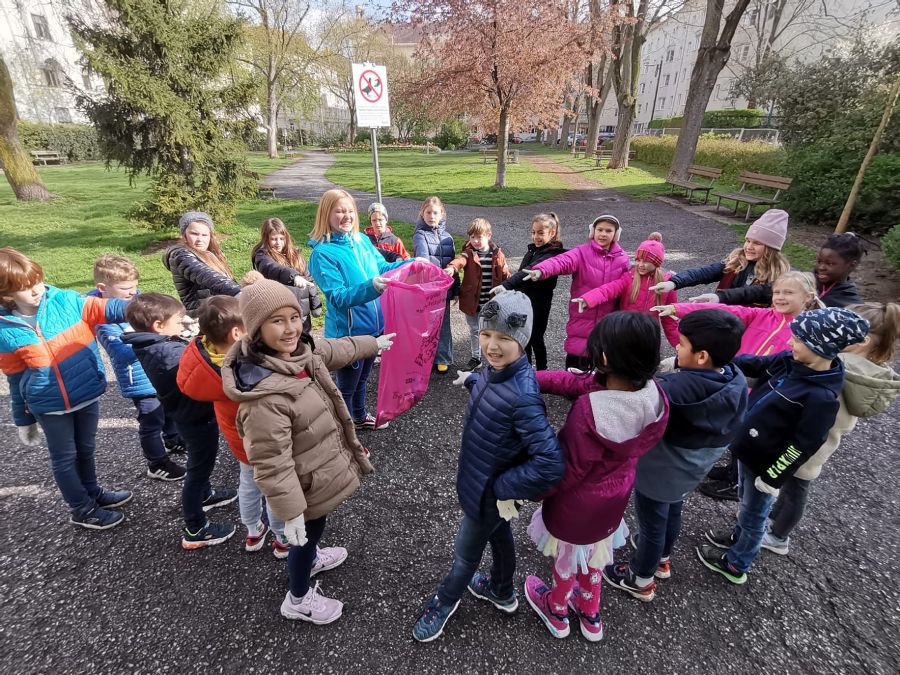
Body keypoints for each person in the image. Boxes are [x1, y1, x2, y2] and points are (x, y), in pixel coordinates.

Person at [221, 280, 393, 623]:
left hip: (316, 476)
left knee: (316, 528)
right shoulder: (264, 397)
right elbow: (271, 462)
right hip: (301, 487)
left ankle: (311, 557)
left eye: (294, 317)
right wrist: (290, 512)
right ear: (256, 330)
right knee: (303, 535)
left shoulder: (300, 352)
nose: (290, 328)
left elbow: (334, 349)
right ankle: (298, 599)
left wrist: (372, 344)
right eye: (277, 321)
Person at [412, 292, 565, 643]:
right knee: (499, 535)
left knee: (465, 555)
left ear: (522, 340)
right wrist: (473, 382)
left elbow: (550, 463)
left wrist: (503, 487)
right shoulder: (496, 372)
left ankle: (444, 601)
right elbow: (496, 399)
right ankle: (501, 589)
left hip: (489, 493)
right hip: (486, 487)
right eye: (485, 334)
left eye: (504, 339)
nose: (491, 346)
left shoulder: (524, 394)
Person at [697, 308, 870, 584]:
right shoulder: (789, 361)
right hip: (748, 450)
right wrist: (718, 361)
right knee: (745, 501)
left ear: (821, 348)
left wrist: (774, 477)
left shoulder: (821, 397)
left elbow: (804, 444)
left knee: (755, 513)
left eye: (798, 340)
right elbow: (754, 364)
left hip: (765, 465)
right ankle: (739, 537)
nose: (790, 343)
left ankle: (737, 562)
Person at [525, 312, 669, 642]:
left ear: (603, 358)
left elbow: (566, 469)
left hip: (575, 506)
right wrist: (533, 377)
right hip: (614, 500)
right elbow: (577, 383)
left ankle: (557, 608)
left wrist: (532, 491)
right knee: (596, 556)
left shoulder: (590, 412)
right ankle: (590, 614)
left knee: (568, 556)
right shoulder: (653, 396)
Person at [602, 309, 748, 602]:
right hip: (692, 468)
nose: (676, 348)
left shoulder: (674, 388)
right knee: (672, 510)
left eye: (681, 344)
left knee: (652, 523)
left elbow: (637, 403)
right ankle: (663, 558)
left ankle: (640, 578)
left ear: (702, 356)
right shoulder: (734, 377)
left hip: (662, 469)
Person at [654, 271, 823, 501]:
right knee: (735, 431)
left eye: (788, 293)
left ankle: (737, 482)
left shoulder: (804, 334)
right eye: (777, 292)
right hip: (738, 383)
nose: (780, 297)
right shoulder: (762, 314)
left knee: (750, 435)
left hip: (764, 393)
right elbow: (726, 312)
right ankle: (731, 471)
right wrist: (678, 309)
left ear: (808, 297)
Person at [0, 247, 133, 529]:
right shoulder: (4, 330)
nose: (36, 290)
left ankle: (93, 492)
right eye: (24, 288)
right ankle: (81, 508)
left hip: (85, 394)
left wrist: (146, 308)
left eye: (36, 281)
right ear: (6, 294)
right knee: (65, 457)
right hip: (48, 406)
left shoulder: (67, 301)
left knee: (85, 449)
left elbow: (108, 308)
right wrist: (23, 420)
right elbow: (13, 377)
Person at [762, 302, 900, 555]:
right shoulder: (865, 371)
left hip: (809, 443)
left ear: (861, 341)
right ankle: (775, 520)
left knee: (795, 489)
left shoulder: (837, 368)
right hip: (823, 442)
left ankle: (778, 536)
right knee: (794, 486)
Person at [122, 293, 237, 549]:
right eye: (177, 319)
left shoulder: (154, 343)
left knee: (201, 466)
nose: (182, 321)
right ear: (158, 325)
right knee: (198, 469)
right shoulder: (167, 352)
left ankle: (205, 494)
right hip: (195, 417)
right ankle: (195, 528)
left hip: (187, 414)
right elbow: (202, 370)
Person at [175, 296, 288, 557]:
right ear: (237, 333)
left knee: (248, 484)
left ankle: (253, 531)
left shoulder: (203, 357)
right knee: (275, 489)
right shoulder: (243, 369)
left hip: (238, 440)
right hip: (265, 441)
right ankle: (282, 538)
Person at [307, 189, 409, 430]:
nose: (347, 216)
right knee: (347, 385)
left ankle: (360, 417)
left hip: (374, 328)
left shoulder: (362, 240)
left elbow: (382, 267)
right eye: (339, 211)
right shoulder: (322, 254)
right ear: (326, 214)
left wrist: (411, 264)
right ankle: (343, 430)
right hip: (349, 334)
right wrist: (371, 287)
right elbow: (337, 296)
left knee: (363, 377)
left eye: (350, 210)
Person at [90, 254, 186, 482]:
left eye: (135, 286)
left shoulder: (137, 302)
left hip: (158, 373)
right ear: (103, 288)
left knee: (169, 408)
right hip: (139, 380)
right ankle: (157, 462)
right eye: (126, 288)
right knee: (151, 420)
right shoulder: (103, 321)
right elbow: (122, 353)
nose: (133, 292)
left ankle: (173, 439)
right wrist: (156, 337)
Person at [522, 215, 629, 370]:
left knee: (602, 374)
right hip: (582, 318)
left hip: (608, 323)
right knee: (575, 371)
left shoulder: (623, 259)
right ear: (593, 231)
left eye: (608, 230)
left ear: (616, 234)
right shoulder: (582, 252)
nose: (603, 234)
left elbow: (628, 285)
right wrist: (541, 270)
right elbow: (561, 261)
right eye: (600, 229)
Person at [650, 209, 791, 306]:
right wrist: (674, 282)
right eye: (748, 240)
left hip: (753, 331)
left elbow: (751, 293)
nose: (749, 246)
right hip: (725, 321)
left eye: (757, 243)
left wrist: (719, 297)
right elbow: (705, 272)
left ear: (771, 248)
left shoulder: (781, 278)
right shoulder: (736, 261)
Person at [699, 231, 867, 309]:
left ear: (851, 265)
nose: (821, 267)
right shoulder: (803, 280)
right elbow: (761, 291)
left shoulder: (850, 303)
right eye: (819, 261)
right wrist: (719, 296)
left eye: (830, 264)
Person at [572, 232, 680, 348]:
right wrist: (587, 299)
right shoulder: (629, 277)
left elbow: (669, 319)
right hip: (625, 331)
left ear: (656, 263)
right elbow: (608, 290)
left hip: (649, 335)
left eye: (646, 261)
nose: (640, 265)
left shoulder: (667, 284)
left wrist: (678, 344)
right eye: (638, 260)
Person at [491, 212, 566, 371]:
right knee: (522, 338)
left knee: (536, 339)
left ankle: (542, 372)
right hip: (523, 303)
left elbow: (528, 270)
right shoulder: (532, 250)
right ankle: (525, 369)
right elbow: (521, 273)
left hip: (538, 306)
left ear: (552, 233)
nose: (535, 237)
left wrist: (506, 285)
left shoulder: (551, 254)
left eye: (540, 233)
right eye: (533, 232)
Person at [445, 217, 510, 371]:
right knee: (474, 330)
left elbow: (505, 273)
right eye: (472, 237)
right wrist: (452, 268)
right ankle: (476, 357)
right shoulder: (468, 253)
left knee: (492, 331)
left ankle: (496, 358)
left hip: (491, 302)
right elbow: (460, 260)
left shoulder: (497, 254)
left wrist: (513, 284)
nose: (475, 241)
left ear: (489, 235)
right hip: (472, 301)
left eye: (479, 237)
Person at [251, 217, 323, 329]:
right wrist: (294, 276)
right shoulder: (263, 257)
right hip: (282, 315)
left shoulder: (295, 255)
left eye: (281, 238)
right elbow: (273, 268)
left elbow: (309, 279)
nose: (278, 243)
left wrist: (315, 304)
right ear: (266, 239)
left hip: (303, 315)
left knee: (306, 343)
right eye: (274, 239)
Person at [164, 211, 240, 313]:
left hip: (220, 312)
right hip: (203, 317)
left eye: (204, 235)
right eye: (194, 234)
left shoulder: (211, 255)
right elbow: (207, 276)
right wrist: (240, 292)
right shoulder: (181, 256)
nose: (200, 239)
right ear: (184, 234)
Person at [413, 196, 456, 373]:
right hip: (428, 288)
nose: (431, 216)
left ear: (442, 214)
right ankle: (425, 357)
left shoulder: (448, 237)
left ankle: (443, 357)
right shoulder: (420, 234)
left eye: (435, 213)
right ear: (422, 214)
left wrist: (456, 288)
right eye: (428, 212)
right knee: (427, 325)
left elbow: (453, 263)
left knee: (444, 324)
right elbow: (422, 257)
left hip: (444, 288)